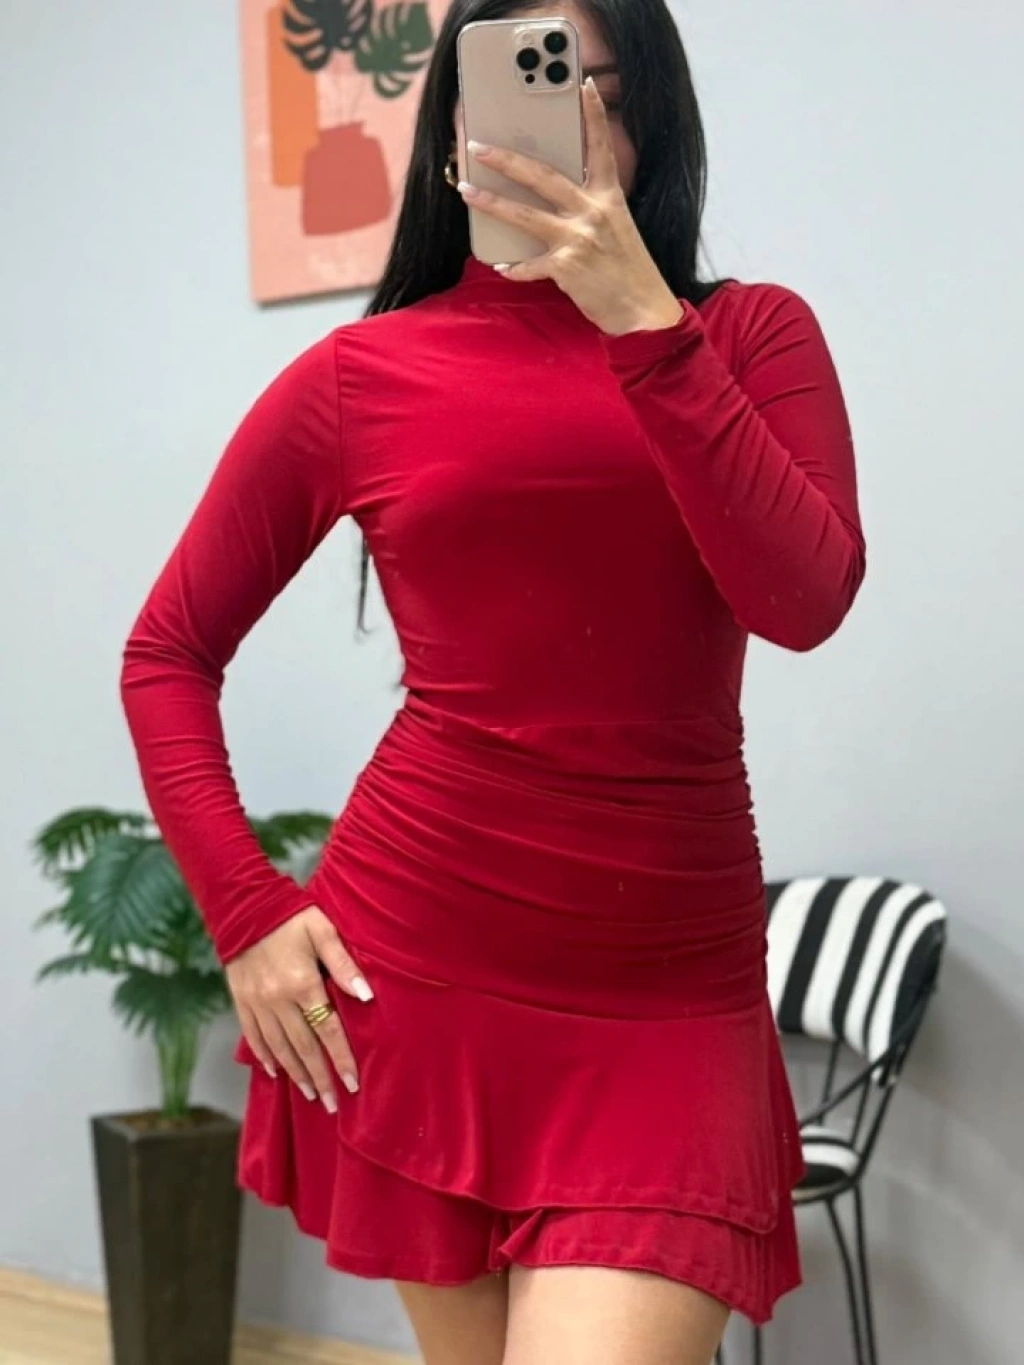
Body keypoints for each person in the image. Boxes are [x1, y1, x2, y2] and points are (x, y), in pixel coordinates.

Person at [120, 1, 865, 1361]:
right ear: (455, 135)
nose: (562, 121)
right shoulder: (364, 375)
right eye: (521, 87)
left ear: (651, 121)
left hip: (669, 1001)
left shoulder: (752, 338)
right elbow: (167, 652)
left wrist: (644, 323)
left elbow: (804, 601)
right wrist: (245, 910)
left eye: (598, 90)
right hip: (418, 971)